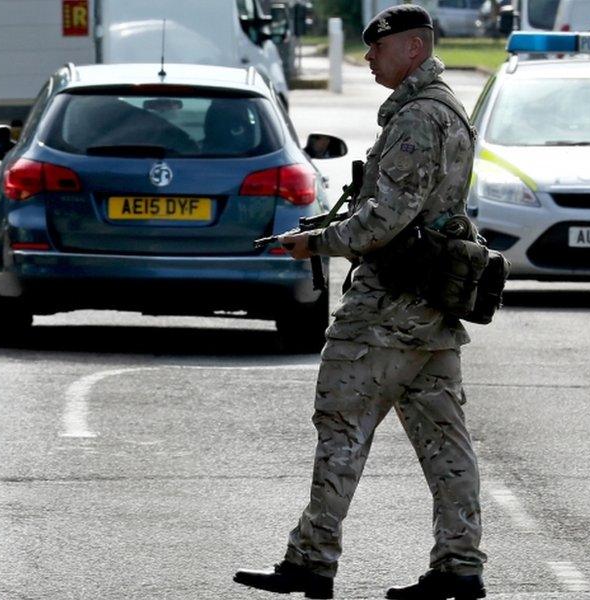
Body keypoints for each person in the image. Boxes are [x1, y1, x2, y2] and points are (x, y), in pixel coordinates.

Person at [234, 5, 487, 599]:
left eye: (380, 48)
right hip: (428, 312)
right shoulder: (441, 109)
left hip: (388, 311)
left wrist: (316, 243)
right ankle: (459, 565)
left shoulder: (420, 118)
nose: (369, 57)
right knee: (446, 442)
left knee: (341, 424)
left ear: (414, 50)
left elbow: (386, 220)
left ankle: (311, 561)